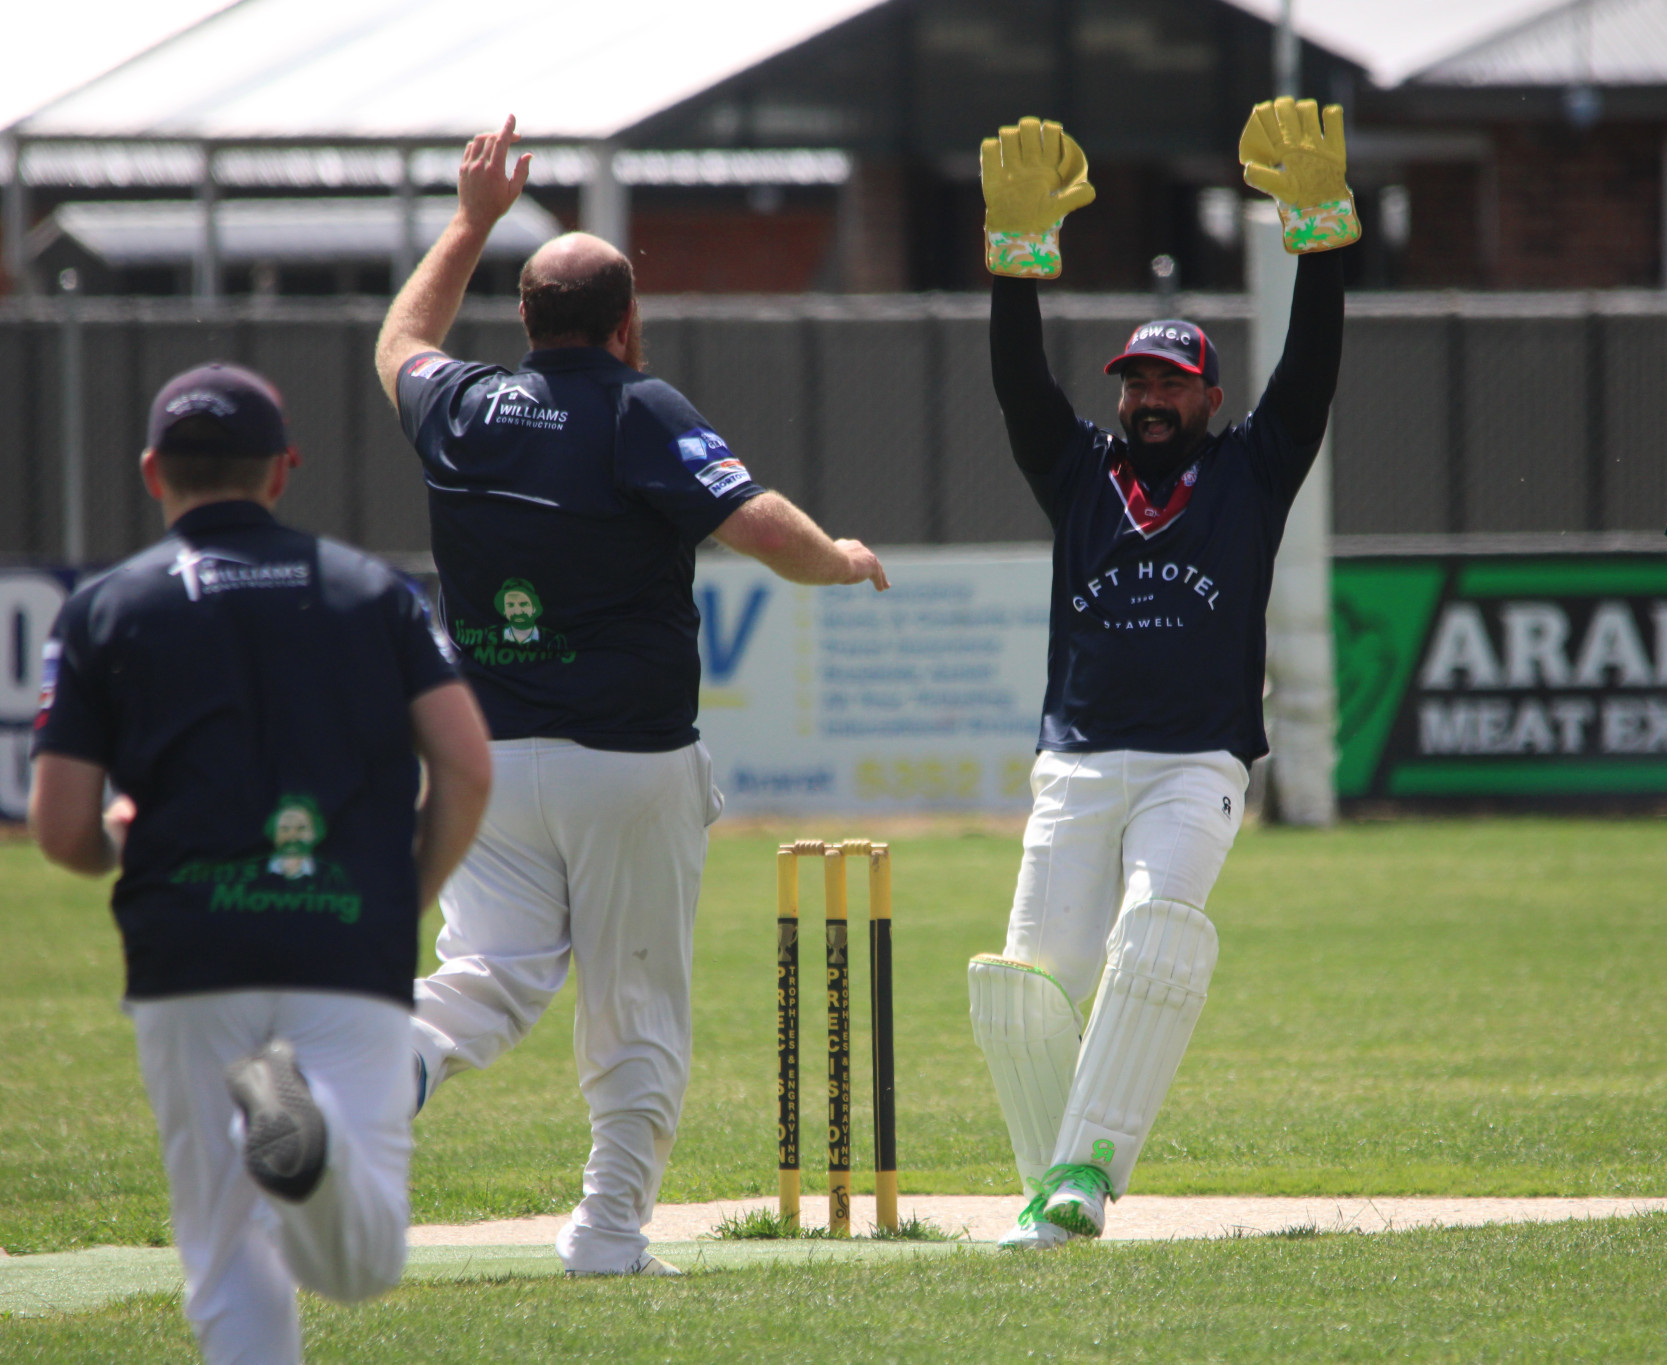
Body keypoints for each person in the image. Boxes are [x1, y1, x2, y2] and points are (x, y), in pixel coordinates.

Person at [374, 115, 890, 1276]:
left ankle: (372, 1060)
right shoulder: (635, 406)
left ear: (522, 321)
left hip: (488, 760)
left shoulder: (460, 406)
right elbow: (764, 529)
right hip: (628, 763)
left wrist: (469, 221)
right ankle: (606, 1235)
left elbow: (399, 337)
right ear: (625, 325)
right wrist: (843, 558)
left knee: (491, 975)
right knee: (635, 1007)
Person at [28, 362, 493, 1364]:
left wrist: (124, 838)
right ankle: (304, 1142)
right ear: (282, 471)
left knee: (227, 1255)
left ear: (154, 471)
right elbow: (465, 765)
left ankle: (290, 1140)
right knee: (356, 1269)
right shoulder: (373, 591)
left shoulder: (108, 607)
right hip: (345, 936)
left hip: (186, 953)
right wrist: (403, 892)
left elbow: (60, 830)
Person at [965, 101, 1355, 1248]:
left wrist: (1320, 241)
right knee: (1024, 985)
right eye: (1133, 380)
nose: (1146, 396)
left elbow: (1314, 373)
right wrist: (1013, 264)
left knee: (1155, 936)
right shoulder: (1075, 473)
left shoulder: (1251, 471)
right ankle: (1054, 1195)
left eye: (1170, 383)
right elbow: (1014, 386)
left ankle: (1082, 1170)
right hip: (1074, 763)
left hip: (1196, 763)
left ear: (1208, 400)